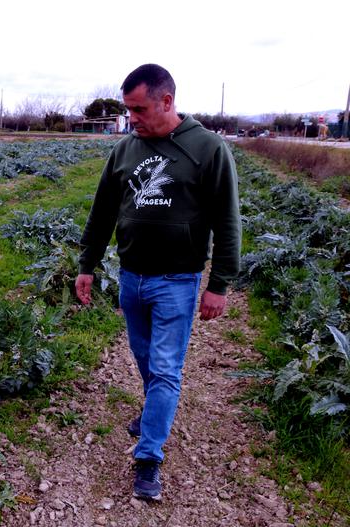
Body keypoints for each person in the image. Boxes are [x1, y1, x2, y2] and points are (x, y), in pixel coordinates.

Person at [75, 64, 241, 501]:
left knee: (166, 369)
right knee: (145, 356)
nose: (132, 118)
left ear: (167, 102)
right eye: (128, 109)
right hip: (132, 279)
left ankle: (149, 458)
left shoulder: (207, 149)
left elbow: (228, 222)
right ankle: (154, 414)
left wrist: (219, 283)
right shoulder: (125, 150)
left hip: (177, 282)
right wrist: (87, 264)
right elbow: (101, 213)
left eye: (139, 109)